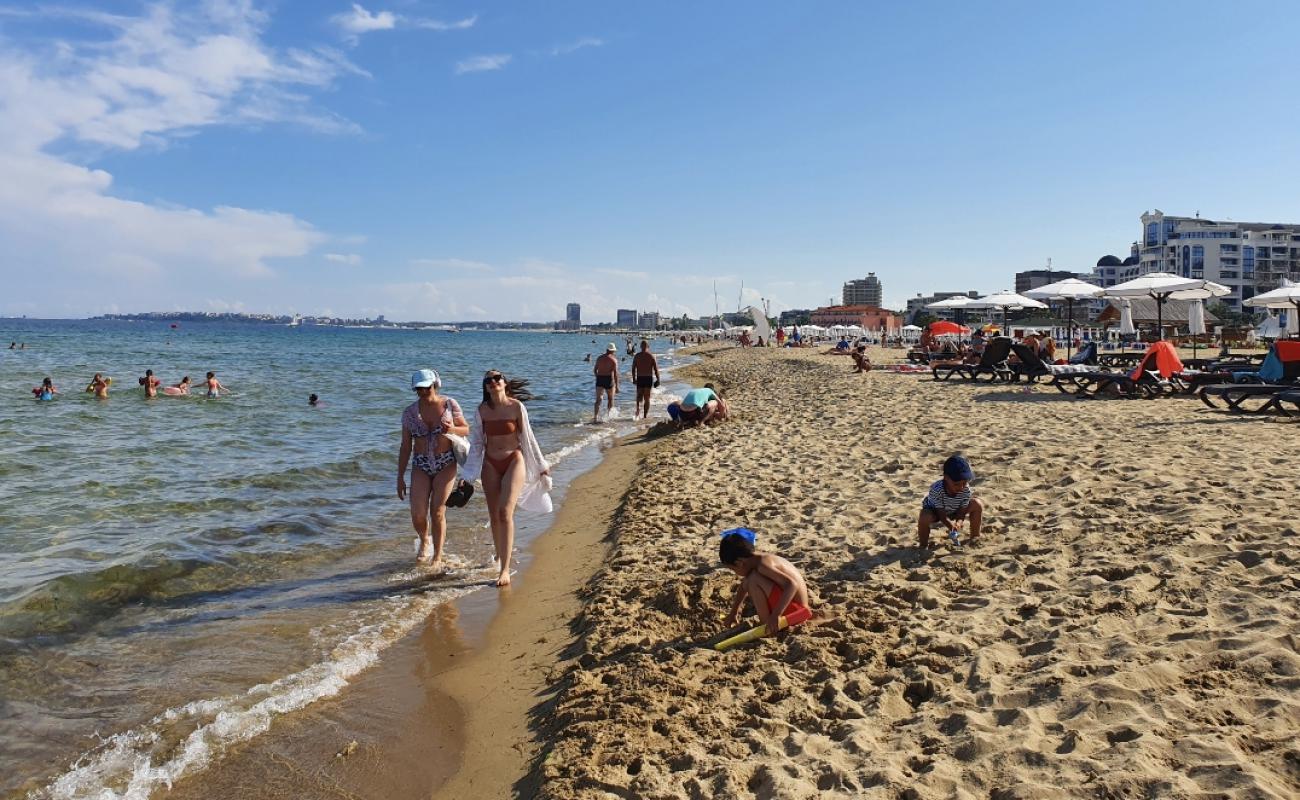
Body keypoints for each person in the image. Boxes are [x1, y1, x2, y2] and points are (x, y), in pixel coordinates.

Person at [463, 370, 552, 586]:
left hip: (514, 459)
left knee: (505, 513)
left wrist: (541, 466)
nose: (493, 382)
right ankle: (499, 554)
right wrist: (467, 475)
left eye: (497, 378)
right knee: (494, 515)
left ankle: (504, 568)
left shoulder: (516, 407)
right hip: (490, 464)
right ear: (485, 387)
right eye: (488, 380)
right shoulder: (482, 410)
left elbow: (528, 437)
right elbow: (476, 443)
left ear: (504, 384)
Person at [397, 369, 469, 566]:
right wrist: (400, 477)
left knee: (437, 510)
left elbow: (466, 428)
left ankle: (437, 555)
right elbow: (405, 447)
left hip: (445, 462)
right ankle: (424, 539)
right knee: (418, 513)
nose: (423, 392)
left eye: (426, 387)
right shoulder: (409, 413)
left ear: (435, 384)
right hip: (420, 464)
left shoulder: (449, 404)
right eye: (418, 389)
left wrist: (452, 429)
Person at [719, 529, 812, 638]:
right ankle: (769, 622)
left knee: (753, 580)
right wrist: (734, 612)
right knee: (750, 579)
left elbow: (792, 585)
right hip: (793, 607)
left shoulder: (763, 566)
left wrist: (776, 615)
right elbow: (743, 587)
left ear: (740, 563)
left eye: (733, 569)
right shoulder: (757, 561)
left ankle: (768, 626)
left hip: (797, 613)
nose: (735, 573)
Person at [918, 455, 984, 549]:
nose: (961, 487)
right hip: (936, 511)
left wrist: (959, 523)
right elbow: (941, 515)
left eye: (964, 483)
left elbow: (962, 511)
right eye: (956, 484)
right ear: (946, 477)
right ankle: (923, 545)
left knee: (977, 504)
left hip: (955, 509)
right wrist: (951, 526)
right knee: (924, 516)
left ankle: (975, 537)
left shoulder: (966, 490)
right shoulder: (937, 489)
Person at [631, 339, 660, 420]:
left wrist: (634, 379)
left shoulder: (637, 356)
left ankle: (637, 412)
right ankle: (645, 416)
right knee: (647, 398)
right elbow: (656, 369)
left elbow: (633, 369)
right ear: (648, 346)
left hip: (640, 378)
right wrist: (658, 379)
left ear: (640, 346)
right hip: (648, 378)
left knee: (638, 396)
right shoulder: (651, 356)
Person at [592, 343, 619, 422]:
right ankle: (609, 417)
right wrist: (617, 386)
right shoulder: (614, 360)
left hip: (600, 379)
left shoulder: (599, 358)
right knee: (610, 399)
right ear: (612, 351)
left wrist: (598, 377)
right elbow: (616, 374)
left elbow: (594, 370)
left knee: (598, 399)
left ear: (607, 350)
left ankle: (595, 417)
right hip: (609, 379)